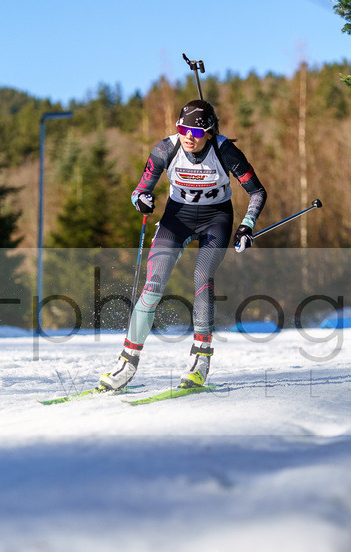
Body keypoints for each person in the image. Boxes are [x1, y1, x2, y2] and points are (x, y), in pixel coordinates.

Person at [99, 99, 267, 390]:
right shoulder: (165, 149)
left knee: (202, 276)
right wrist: (141, 200)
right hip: (177, 219)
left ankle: (200, 359)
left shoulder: (226, 151)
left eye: (197, 132)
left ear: (210, 133)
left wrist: (247, 225)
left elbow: (257, 192)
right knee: (153, 284)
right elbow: (139, 191)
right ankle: (126, 363)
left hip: (216, 219)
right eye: (183, 129)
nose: (189, 136)